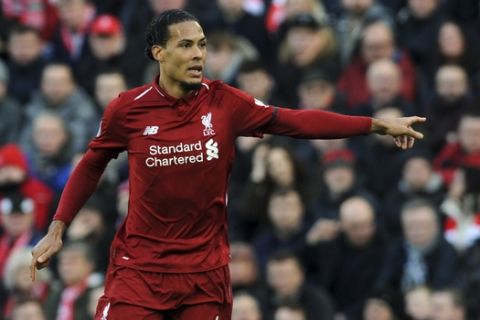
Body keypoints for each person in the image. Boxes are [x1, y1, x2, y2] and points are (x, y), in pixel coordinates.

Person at [31, 9, 425, 319]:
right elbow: (91, 164)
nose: (198, 54)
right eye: (186, 46)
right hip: (140, 269)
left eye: (202, 45)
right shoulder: (128, 110)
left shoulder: (225, 103)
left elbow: (294, 121)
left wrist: (374, 125)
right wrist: (57, 227)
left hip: (204, 274)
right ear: (159, 53)